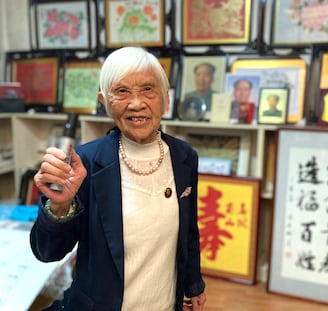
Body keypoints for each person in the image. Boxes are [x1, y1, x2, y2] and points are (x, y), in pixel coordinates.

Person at [30, 46, 207, 311]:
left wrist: (194, 284)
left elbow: (188, 232)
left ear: (165, 99)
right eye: (122, 91)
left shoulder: (184, 156)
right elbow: (46, 252)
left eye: (148, 89)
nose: (137, 103)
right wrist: (59, 207)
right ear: (104, 101)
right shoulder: (84, 163)